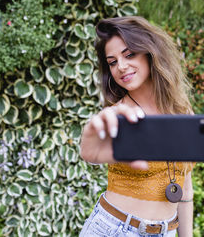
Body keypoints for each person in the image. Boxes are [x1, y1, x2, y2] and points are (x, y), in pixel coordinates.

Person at [79, 16, 195, 237]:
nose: (121, 67)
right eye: (112, 62)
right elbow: (92, 152)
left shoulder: (182, 111)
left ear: (150, 52)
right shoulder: (119, 116)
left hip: (167, 231)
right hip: (114, 229)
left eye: (129, 54)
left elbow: (185, 187)